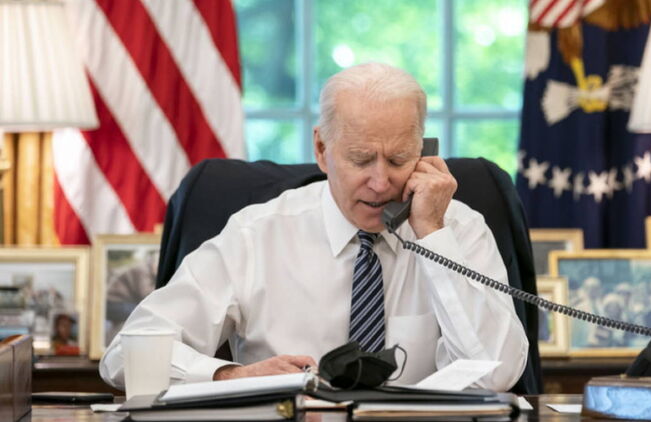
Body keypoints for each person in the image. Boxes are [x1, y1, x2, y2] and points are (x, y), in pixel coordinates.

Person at [99, 62, 528, 391]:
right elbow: (126, 355)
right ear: (322, 149)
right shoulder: (257, 234)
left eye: (399, 159)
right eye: (361, 159)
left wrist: (434, 236)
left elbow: (496, 374)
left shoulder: (458, 229)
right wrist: (233, 375)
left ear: (424, 152)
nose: (381, 182)